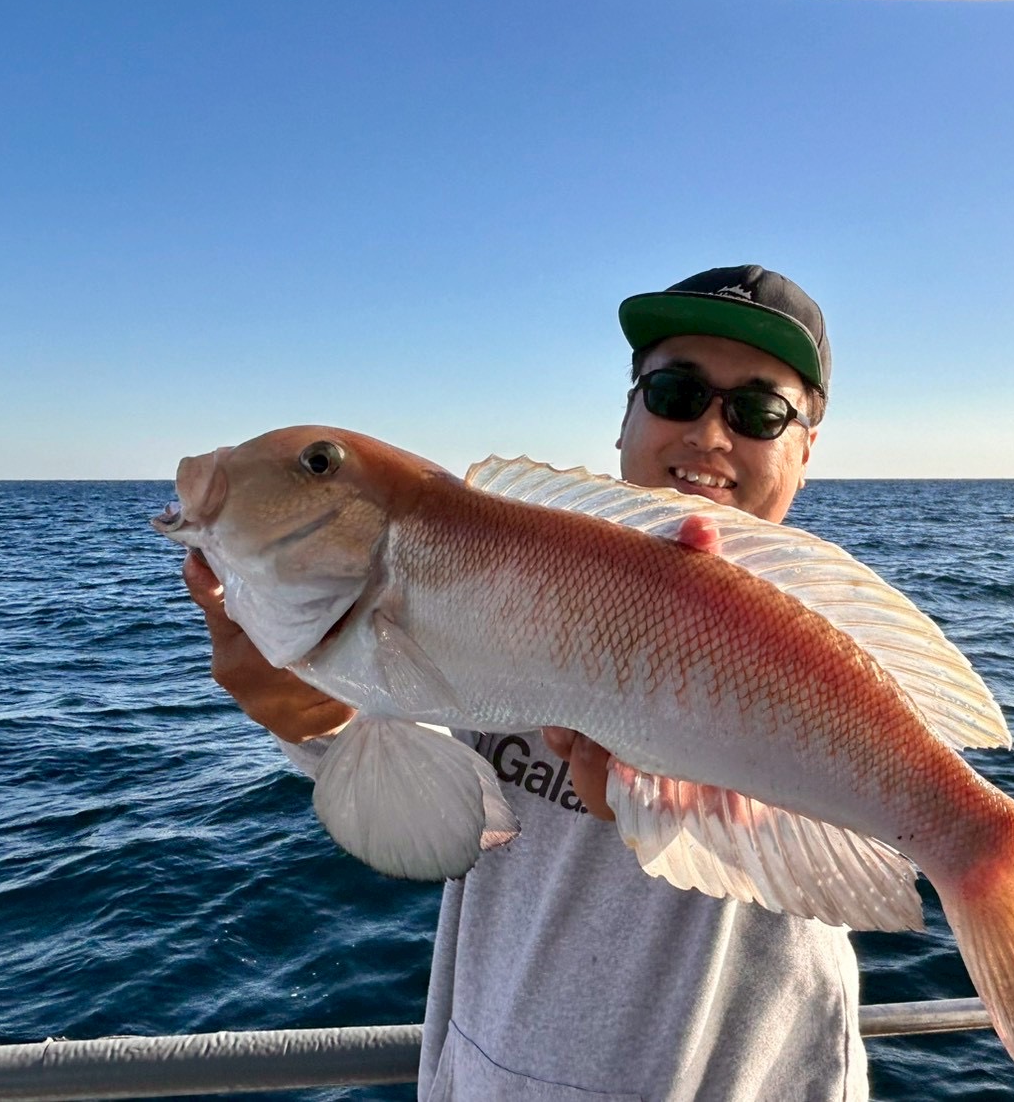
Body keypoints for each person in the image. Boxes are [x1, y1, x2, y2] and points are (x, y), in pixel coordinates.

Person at [183, 265, 867, 1101]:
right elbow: (423, 778)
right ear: (627, 416)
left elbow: (848, 854)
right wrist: (305, 707)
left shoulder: (847, 655)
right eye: (677, 392)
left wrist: (679, 811)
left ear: (805, 449)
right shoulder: (511, 581)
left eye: (759, 411)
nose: (709, 434)